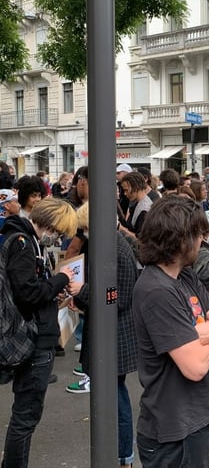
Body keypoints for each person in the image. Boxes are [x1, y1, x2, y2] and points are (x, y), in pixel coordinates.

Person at [132, 196, 209, 467]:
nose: (203, 240)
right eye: (198, 234)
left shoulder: (185, 275)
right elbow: (195, 367)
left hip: (200, 419)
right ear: (180, 240)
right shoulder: (157, 290)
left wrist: (204, 332)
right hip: (176, 431)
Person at [1, 197, 78, 468]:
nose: (57, 238)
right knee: (26, 417)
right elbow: (29, 293)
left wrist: (53, 290)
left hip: (30, 333)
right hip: (33, 338)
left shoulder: (22, 239)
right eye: (58, 231)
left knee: (25, 416)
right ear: (50, 222)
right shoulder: (24, 244)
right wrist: (61, 279)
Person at [66, 203, 139, 467]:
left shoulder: (116, 249)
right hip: (114, 334)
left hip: (114, 336)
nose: (84, 233)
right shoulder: (115, 244)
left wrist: (82, 292)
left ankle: (123, 456)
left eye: (85, 228)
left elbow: (116, 297)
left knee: (116, 400)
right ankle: (122, 455)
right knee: (116, 397)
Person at [118, 172, 153, 238]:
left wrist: (121, 229)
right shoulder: (139, 204)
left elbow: (141, 241)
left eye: (126, 190)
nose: (125, 194)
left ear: (135, 187)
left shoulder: (144, 209)